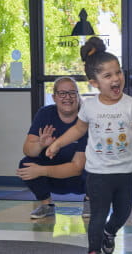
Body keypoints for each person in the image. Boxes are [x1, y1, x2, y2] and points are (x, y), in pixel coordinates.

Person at [46, 37, 132, 254]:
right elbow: (78, 130)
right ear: (94, 83)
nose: (116, 79)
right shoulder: (90, 107)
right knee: (98, 214)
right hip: (97, 173)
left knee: (123, 212)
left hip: (123, 172)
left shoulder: (131, 105)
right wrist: (58, 143)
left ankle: (110, 233)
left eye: (118, 73)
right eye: (108, 76)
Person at [17, 76, 90, 219]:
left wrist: (41, 170)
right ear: (54, 97)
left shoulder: (85, 118)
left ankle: (90, 202)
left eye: (72, 93)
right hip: (53, 177)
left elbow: (77, 167)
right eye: (62, 93)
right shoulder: (45, 114)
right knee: (25, 163)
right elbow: (27, 149)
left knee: (98, 165)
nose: (67, 97)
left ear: (77, 96)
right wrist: (40, 145)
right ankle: (46, 205)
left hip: (80, 179)